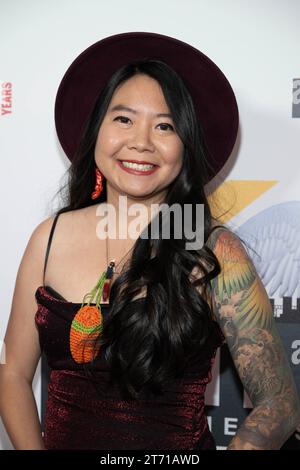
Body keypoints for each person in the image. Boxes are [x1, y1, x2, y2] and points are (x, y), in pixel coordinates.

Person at [0, 31, 299, 451]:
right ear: (97, 131)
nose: (140, 142)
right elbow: (13, 372)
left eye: (165, 125)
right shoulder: (48, 238)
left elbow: (278, 401)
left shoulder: (215, 250)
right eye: (123, 119)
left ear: (186, 146)